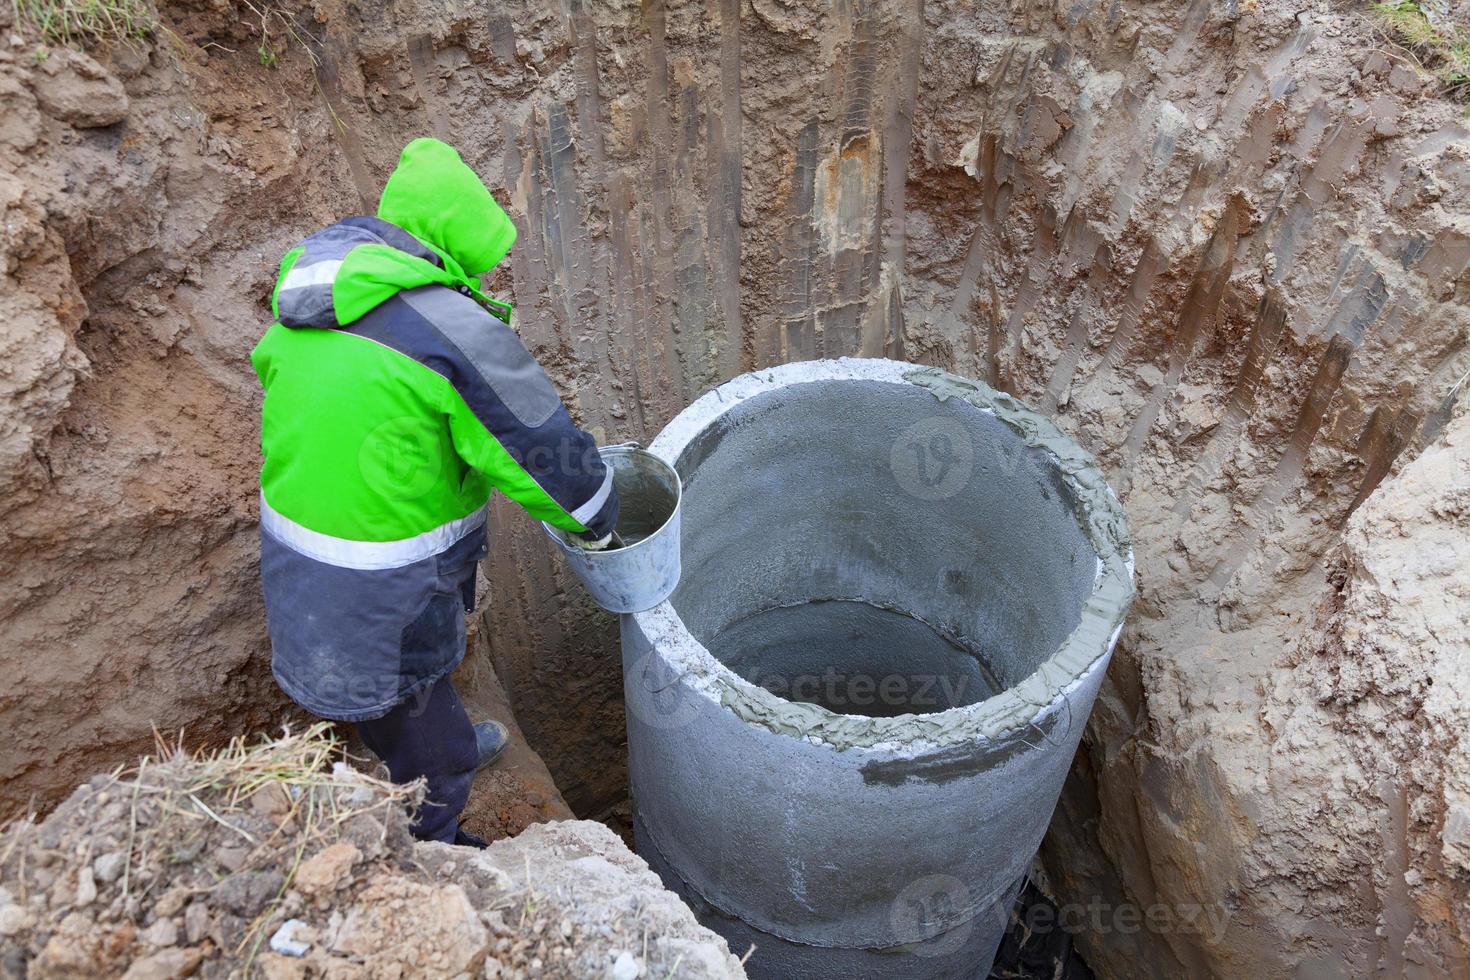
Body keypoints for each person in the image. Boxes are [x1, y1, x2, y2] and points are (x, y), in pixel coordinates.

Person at [251, 138, 618, 848]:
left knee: (400, 700)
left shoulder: (309, 304)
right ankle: (437, 857)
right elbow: (534, 447)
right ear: (449, 246)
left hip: (306, 574)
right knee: (434, 755)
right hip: (384, 592)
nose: (483, 276)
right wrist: (599, 518)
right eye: (480, 262)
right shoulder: (445, 331)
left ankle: (415, 744)